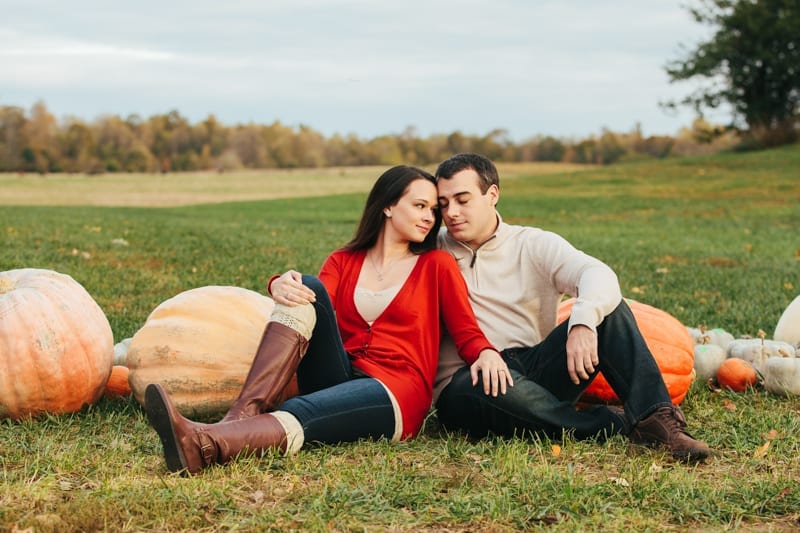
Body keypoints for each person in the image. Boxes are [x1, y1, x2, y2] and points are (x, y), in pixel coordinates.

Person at [144, 164, 512, 474]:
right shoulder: (344, 260)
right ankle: (245, 411)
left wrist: (486, 352)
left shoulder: (436, 265)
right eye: (420, 206)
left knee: (301, 409)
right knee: (307, 285)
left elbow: (466, 330)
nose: (430, 217)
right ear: (387, 206)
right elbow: (312, 299)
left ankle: (206, 446)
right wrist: (278, 284)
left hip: (396, 391)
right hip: (340, 374)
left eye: (433, 209)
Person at [432, 153, 711, 462]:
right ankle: (613, 423)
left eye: (462, 200)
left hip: (534, 366)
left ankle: (654, 419)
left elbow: (596, 273)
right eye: (444, 204)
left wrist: (582, 322)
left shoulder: (532, 244)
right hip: (468, 379)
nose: (452, 213)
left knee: (611, 311)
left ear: (492, 195)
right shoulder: (432, 248)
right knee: (483, 387)